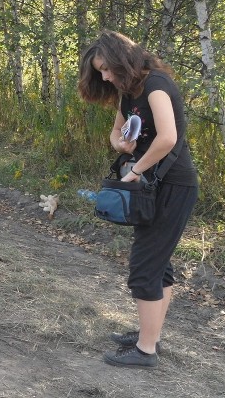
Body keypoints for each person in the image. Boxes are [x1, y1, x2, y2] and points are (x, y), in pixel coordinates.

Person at [78, 30, 198, 369]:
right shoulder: (128, 92)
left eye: (106, 69)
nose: (104, 77)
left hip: (173, 187)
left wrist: (135, 170)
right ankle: (151, 335)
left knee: (144, 268)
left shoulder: (157, 85)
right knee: (159, 266)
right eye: (99, 71)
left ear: (123, 60)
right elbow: (116, 133)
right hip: (152, 186)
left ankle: (146, 352)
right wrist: (122, 146)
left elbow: (168, 139)